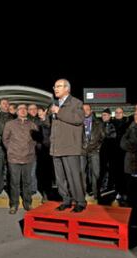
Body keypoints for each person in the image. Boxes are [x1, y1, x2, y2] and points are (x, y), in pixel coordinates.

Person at [50, 79, 86, 212]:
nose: (55, 88)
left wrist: (59, 112)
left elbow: (78, 119)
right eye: (55, 86)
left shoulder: (76, 103)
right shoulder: (54, 104)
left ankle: (80, 202)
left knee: (73, 176)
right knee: (60, 178)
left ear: (67, 89)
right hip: (56, 147)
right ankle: (66, 200)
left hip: (70, 146)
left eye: (59, 86)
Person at [3, 104, 38, 214]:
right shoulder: (10, 124)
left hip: (28, 157)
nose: (23, 110)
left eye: (25, 109)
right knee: (14, 182)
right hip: (14, 158)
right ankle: (14, 204)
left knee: (27, 182)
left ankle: (28, 203)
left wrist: (30, 150)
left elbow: (35, 140)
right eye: (20, 109)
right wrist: (11, 149)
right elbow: (5, 139)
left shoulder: (32, 125)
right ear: (17, 112)